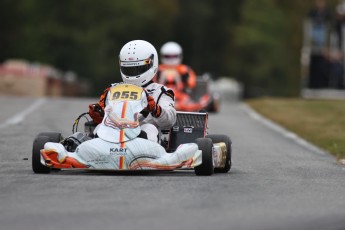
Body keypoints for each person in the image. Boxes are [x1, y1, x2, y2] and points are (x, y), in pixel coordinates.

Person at [89, 40, 176, 142]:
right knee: (99, 128)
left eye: (138, 69)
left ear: (151, 63)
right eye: (129, 70)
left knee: (150, 128)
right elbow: (103, 119)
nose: (133, 73)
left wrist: (155, 109)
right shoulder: (112, 90)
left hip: (143, 137)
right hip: (114, 132)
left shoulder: (161, 92)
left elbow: (170, 120)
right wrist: (99, 115)